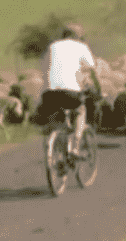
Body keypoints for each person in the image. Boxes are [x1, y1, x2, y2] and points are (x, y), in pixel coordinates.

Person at [38, 23, 98, 159]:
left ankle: (54, 145)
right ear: (78, 36)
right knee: (80, 111)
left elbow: (45, 68)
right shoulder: (81, 47)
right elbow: (92, 70)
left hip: (49, 92)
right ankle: (75, 146)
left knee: (56, 120)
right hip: (71, 92)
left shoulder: (52, 46)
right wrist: (97, 89)